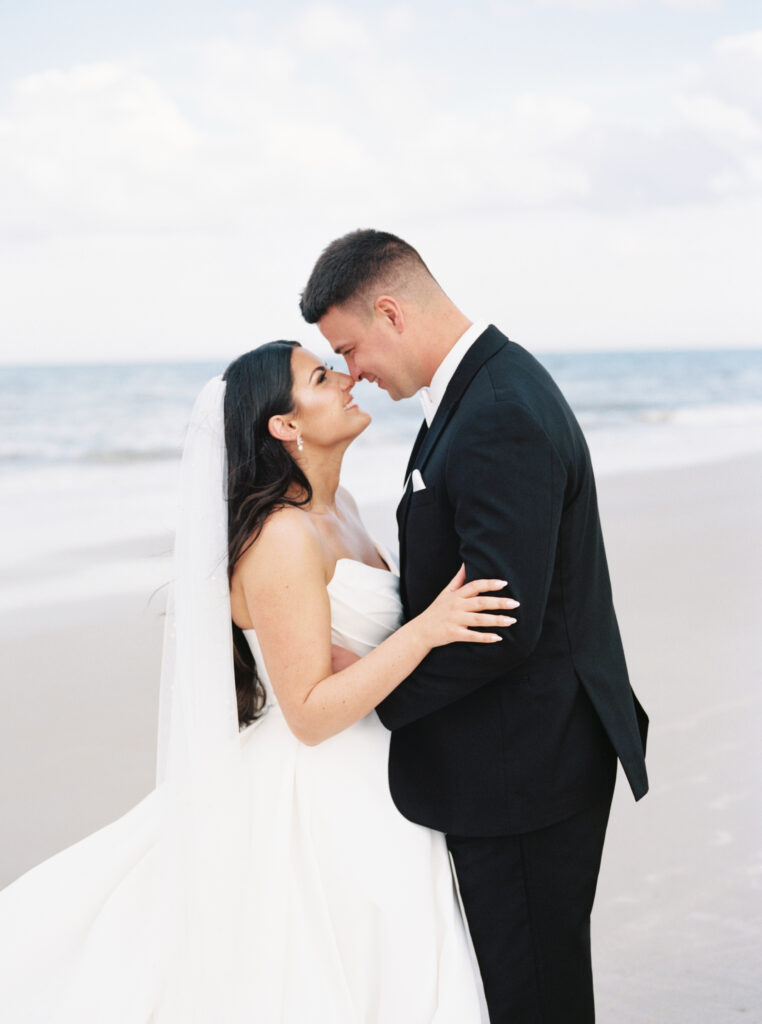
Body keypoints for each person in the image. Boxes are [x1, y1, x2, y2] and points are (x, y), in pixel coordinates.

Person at [0, 339, 518, 1021]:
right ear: (285, 425)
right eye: (321, 376)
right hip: (326, 783)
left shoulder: (346, 507)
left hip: (379, 768)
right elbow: (306, 711)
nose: (346, 381)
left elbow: (352, 657)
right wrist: (427, 630)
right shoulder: (281, 535)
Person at [300, 229, 650, 1023]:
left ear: (389, 312)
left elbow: (503, 622)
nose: (353, 372)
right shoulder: (478, 390)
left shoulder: (495, 411)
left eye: (350, 348)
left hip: (522, 769)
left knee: (534, 998)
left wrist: (375, 697)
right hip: (522, 757)